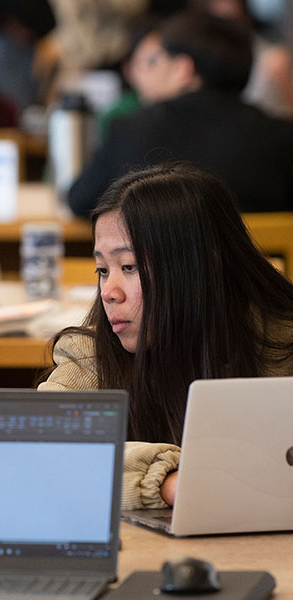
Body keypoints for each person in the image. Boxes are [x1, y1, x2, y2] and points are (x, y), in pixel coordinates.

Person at [39, 162, 293, 510]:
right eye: (102, 270)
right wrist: (167, 483)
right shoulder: (91, 352)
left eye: (129, 267)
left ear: (201, 266)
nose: (109, 291)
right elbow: (42, 442)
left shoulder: (280, 339)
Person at [67, 9, 293, 217]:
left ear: (183, 69)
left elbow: (79, 201)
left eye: (155, 62)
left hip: (157, 262)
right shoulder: (282, 136)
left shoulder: (129, 130)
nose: (142, 75)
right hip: (260, 261)